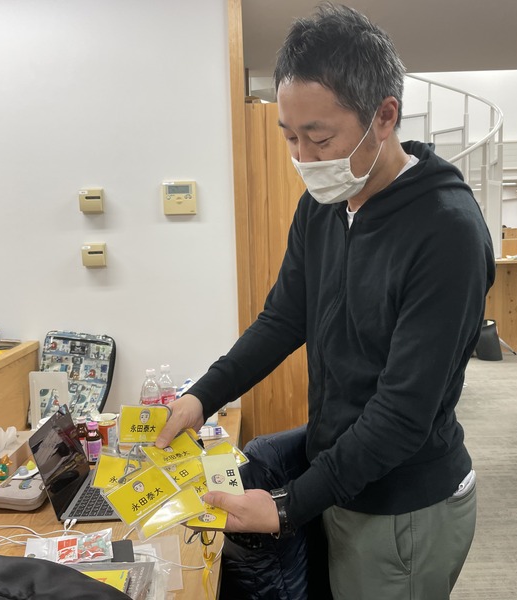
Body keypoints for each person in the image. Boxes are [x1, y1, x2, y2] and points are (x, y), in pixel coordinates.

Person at [157, 4, 495, 598]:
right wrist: (203, 395)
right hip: (340, 480)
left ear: (384, 116)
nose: (304, 160)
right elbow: (283, 318)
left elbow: (402, 414)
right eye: (290, 137)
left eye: (319, 138)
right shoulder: (324, 204)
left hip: (402, 509)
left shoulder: (446, 231)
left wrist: (288, 505)